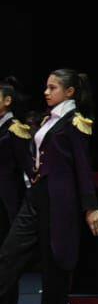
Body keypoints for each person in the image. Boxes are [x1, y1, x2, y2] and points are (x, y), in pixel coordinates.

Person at [0, 69, 98, 304]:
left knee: (55, 260)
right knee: (9, 253)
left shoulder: (75, 122)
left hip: (59, 198)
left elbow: (83, 166)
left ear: (69, 92)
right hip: (36, 194)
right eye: (46, 87)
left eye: (52, 88)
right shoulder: (49, 119)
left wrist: (91, 206)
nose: (46, 92)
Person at [0, 78, 33, 247]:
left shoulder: (15, 128)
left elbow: (26, 164)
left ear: (7, 101)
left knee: (11, 235)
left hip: (10, 192)